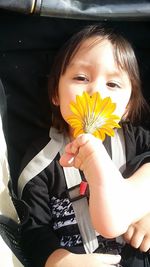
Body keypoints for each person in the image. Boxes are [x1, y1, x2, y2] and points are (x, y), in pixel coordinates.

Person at [18, 24, 150, 267]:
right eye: (81, 78)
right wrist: (59, 261)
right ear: (55, 94)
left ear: (128, 105)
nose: (95, 91)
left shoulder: (137, 141)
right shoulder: (41, 162)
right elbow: (34, 230)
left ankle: (130, 201)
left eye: (113, 84)